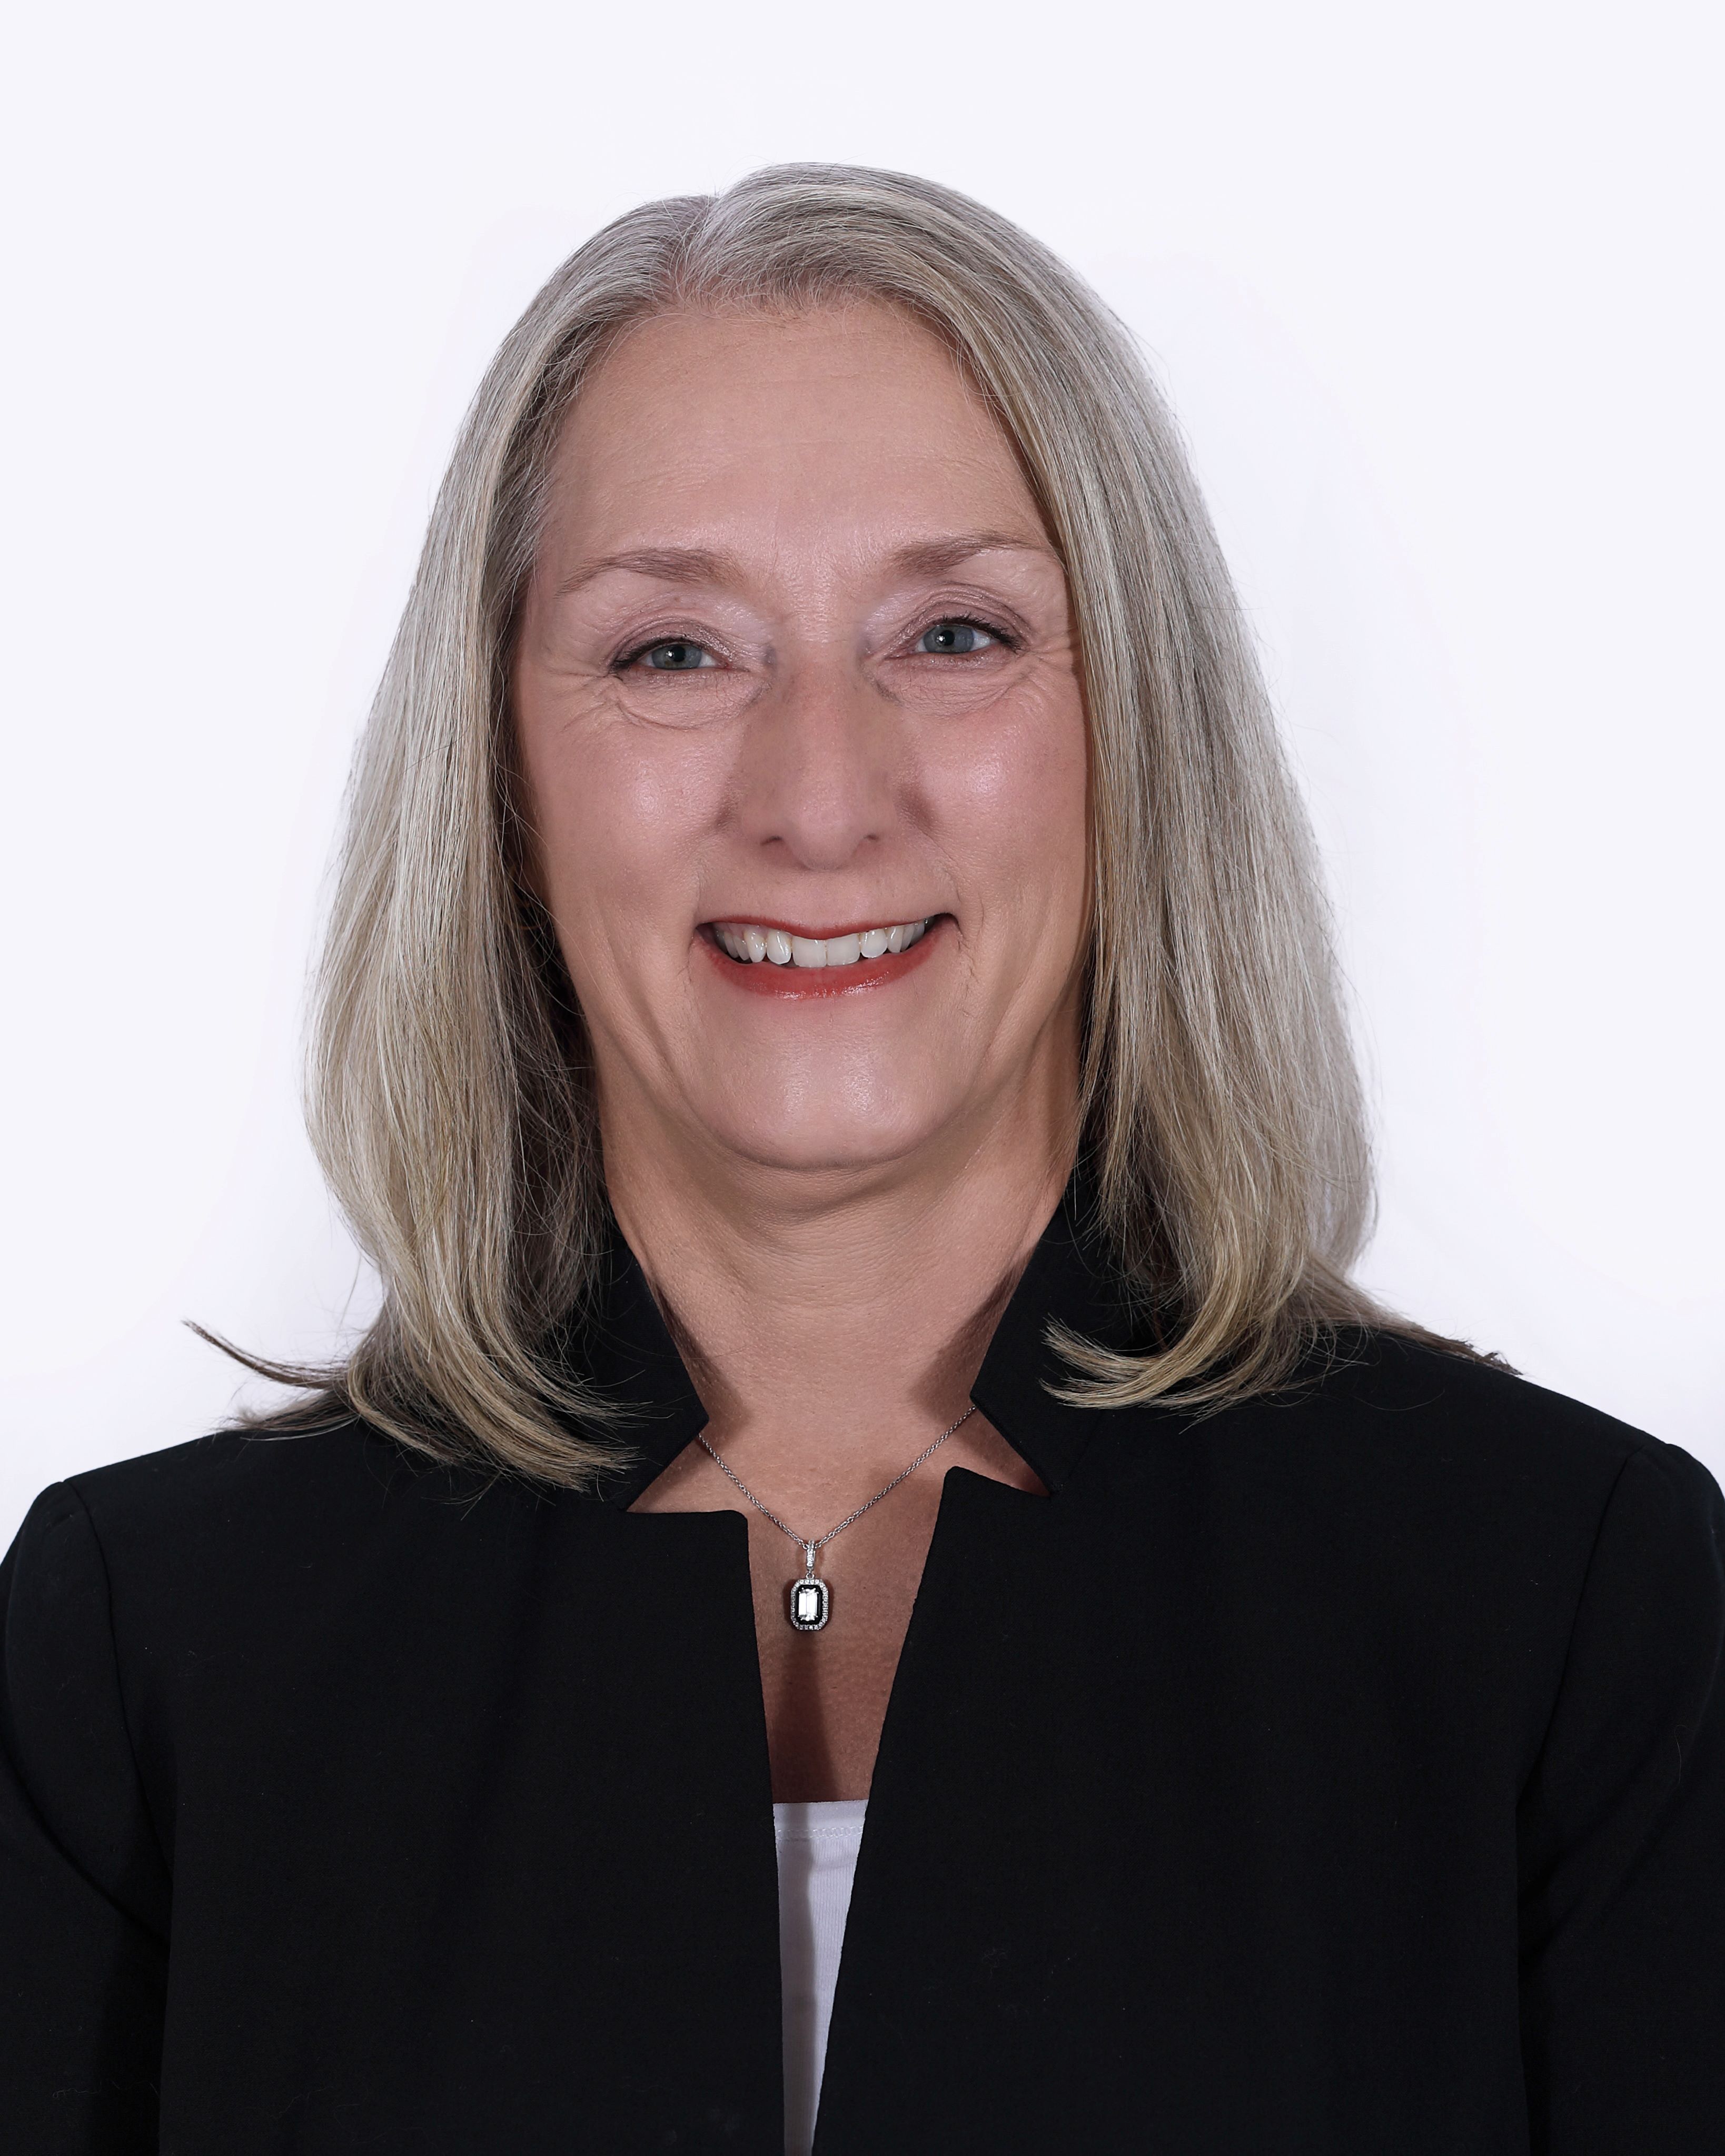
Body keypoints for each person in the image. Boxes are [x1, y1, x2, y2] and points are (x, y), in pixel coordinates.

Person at [2, 165, 1720, 2156]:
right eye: (672, 653)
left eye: (955, 632)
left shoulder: (1562, 1613)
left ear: (1132, 731)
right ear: (503, 769)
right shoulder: (148, 1657)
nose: (821, 796)